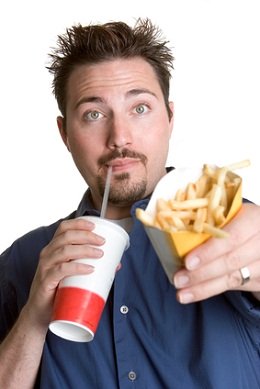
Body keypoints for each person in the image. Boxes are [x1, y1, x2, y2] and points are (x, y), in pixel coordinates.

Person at [0, 18, 259, 389]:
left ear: (170, 118)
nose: (119, 137)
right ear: (65, 134)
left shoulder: (231, 225)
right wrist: (33, 319)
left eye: (139, 108)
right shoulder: (24, 262)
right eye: (94, 114)